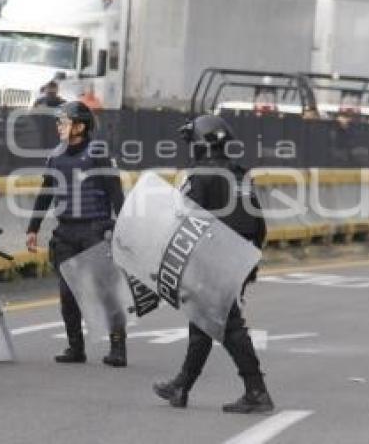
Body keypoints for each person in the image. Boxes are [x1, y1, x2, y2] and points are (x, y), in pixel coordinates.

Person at [152, 114, 274, 414]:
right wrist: (250, 266)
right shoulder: (241, 176)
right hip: (241, 258)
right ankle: (181, 386)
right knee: (203, 322)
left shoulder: (200, 176)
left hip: (213, 259)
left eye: (193, 141)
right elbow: (259, 225)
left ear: (203, 144)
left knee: (229, 325)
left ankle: (256, 390)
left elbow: (180, 220)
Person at [25, 101, 127, 366]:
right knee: (67, 293)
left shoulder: (98, 153)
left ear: (80, 126)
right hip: (66, 232)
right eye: (59, 122)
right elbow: (45, 194)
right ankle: (75, 347)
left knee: (106, 291)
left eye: (65, 122)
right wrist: (32, 229)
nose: (59, 126)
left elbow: (115, 192)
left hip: (95, 229)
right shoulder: (56, 156)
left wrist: (122, 227)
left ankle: (118, 348)